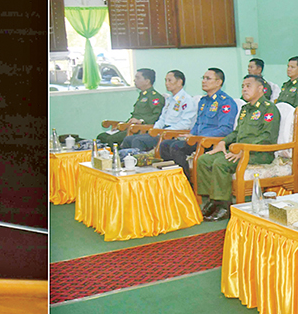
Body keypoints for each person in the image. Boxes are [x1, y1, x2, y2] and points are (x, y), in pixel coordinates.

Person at [193, 74, 283, 221]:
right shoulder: (245, 109)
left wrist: (244, 149)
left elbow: (267, 137)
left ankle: (224, 205)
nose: (244, 89)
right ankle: (213, 200)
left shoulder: (269, 109)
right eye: (243, 87)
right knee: (204, 160)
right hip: (239, 150)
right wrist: (223, 142)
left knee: (221, 163)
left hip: (259, 153)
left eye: (248, 86)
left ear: (260, 88)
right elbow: (236, 132)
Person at [159, 68, 237, 173]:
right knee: (165, 144)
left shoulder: (225, 102)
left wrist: (200, 137)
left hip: (211, 141)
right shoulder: (203, 101)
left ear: (218, 82)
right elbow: (198, 123)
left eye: (208, 78)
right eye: (203, 78)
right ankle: (174, 178)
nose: (204, 81)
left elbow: (225, 129)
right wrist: (191, 134)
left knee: (176, 147)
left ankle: (186, 180)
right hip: (198, 140)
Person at [119, 69, 194, 153]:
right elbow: (162, 119)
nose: (166, 83)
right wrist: (155, 129)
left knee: (138, 141)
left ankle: (140, 159)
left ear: (179, 82)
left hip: (173, 134)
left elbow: (185, 123)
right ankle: (126, 160)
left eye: (169, 80)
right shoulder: (169, 100)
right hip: (162, 131)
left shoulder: (187, 100)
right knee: (128, 139)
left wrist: (165, 131)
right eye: (165, 80)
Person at [96, 67, 167, 147]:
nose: (134, 80)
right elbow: (135, 115)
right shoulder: (143, 95)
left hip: (140, 129)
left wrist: (141, 121)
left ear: (147, 81)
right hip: (130, 127)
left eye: (138, 78)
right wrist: (121, 125)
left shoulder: (155, 97)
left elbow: (157, 116)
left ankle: (118, 154)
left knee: (111, 140)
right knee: (102, 137)